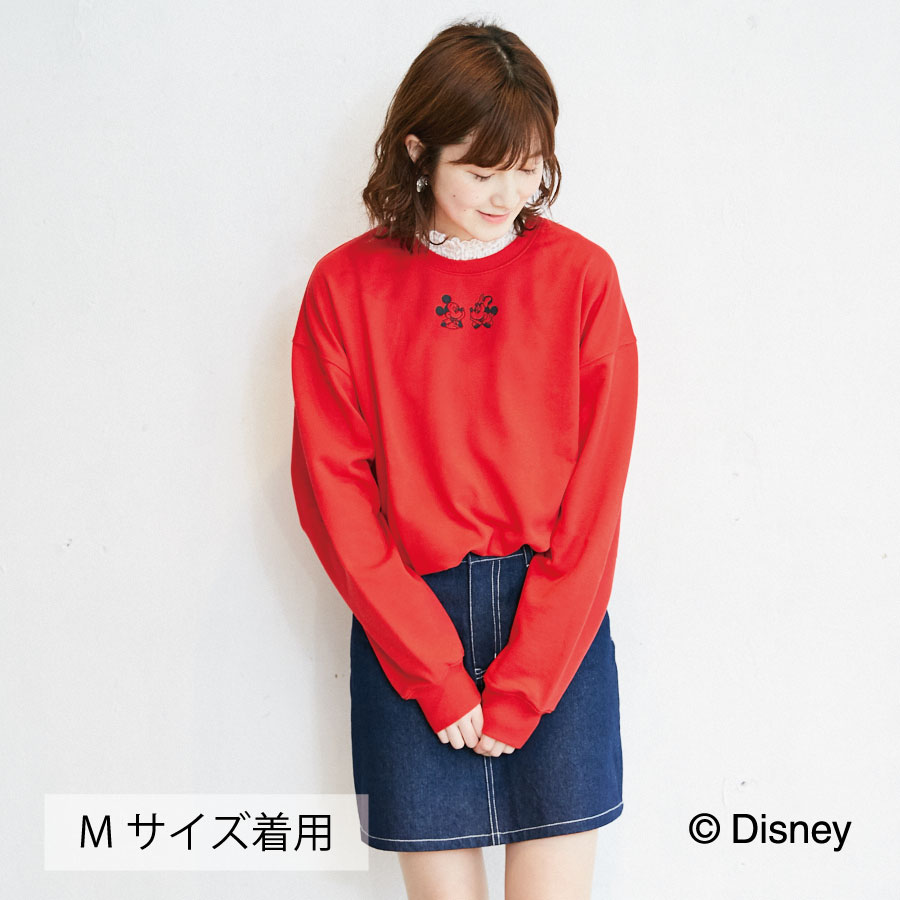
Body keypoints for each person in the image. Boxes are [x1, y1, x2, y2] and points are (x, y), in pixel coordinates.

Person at [290, 18, 639, 900]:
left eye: (528, 168)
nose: (507, 194)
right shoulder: (345, 286)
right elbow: (333, 495)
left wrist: (527, 679)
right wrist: (435, 674)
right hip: (410, 620)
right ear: (419, 150)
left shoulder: (582, 278)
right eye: (482, 171)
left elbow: (596, 501)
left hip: (554, 623)